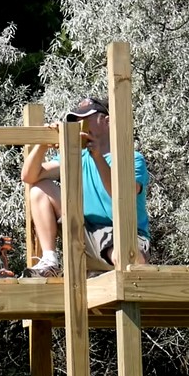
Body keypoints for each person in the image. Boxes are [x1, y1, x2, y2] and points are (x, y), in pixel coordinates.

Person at [20, 96, 151, 277]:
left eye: (86, 118)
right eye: (76, 120)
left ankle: (128, 276)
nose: (80, 123)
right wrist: (42, 145)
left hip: (124, 235)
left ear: (107, 121)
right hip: (85, 233)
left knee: (128, 256)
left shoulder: (131, 158)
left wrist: (97, 156)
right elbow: (29, 176)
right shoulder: (77, 156)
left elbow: (121, 194)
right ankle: (50, 260)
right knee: (39, 189)